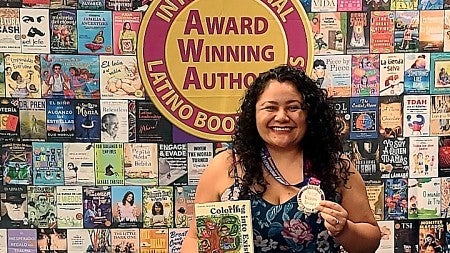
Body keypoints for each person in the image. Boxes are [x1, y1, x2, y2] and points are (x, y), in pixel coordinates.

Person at [181, 65, 381, 252]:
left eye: (293, 107)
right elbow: (195, 238)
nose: (281, 117)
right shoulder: (225, 166)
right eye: (270, 108)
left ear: (309, 114)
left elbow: (371, 239)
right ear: (253, 114)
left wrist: (344, 230)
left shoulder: (335, 167)